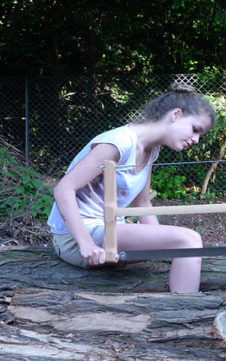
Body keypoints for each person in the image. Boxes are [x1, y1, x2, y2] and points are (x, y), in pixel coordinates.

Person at [47, 83, 216, 293]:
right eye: (195, 129)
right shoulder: (118, 143)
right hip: (77, 240)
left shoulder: (151, 150)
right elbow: (63, 189)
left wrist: (165, 244)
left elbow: (142, 202)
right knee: (189, 240)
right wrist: (86, 245)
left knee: (184, 244)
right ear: (176, 114)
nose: (196, 140)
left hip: (109, 233)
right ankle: (185, 312)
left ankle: (182, 303)